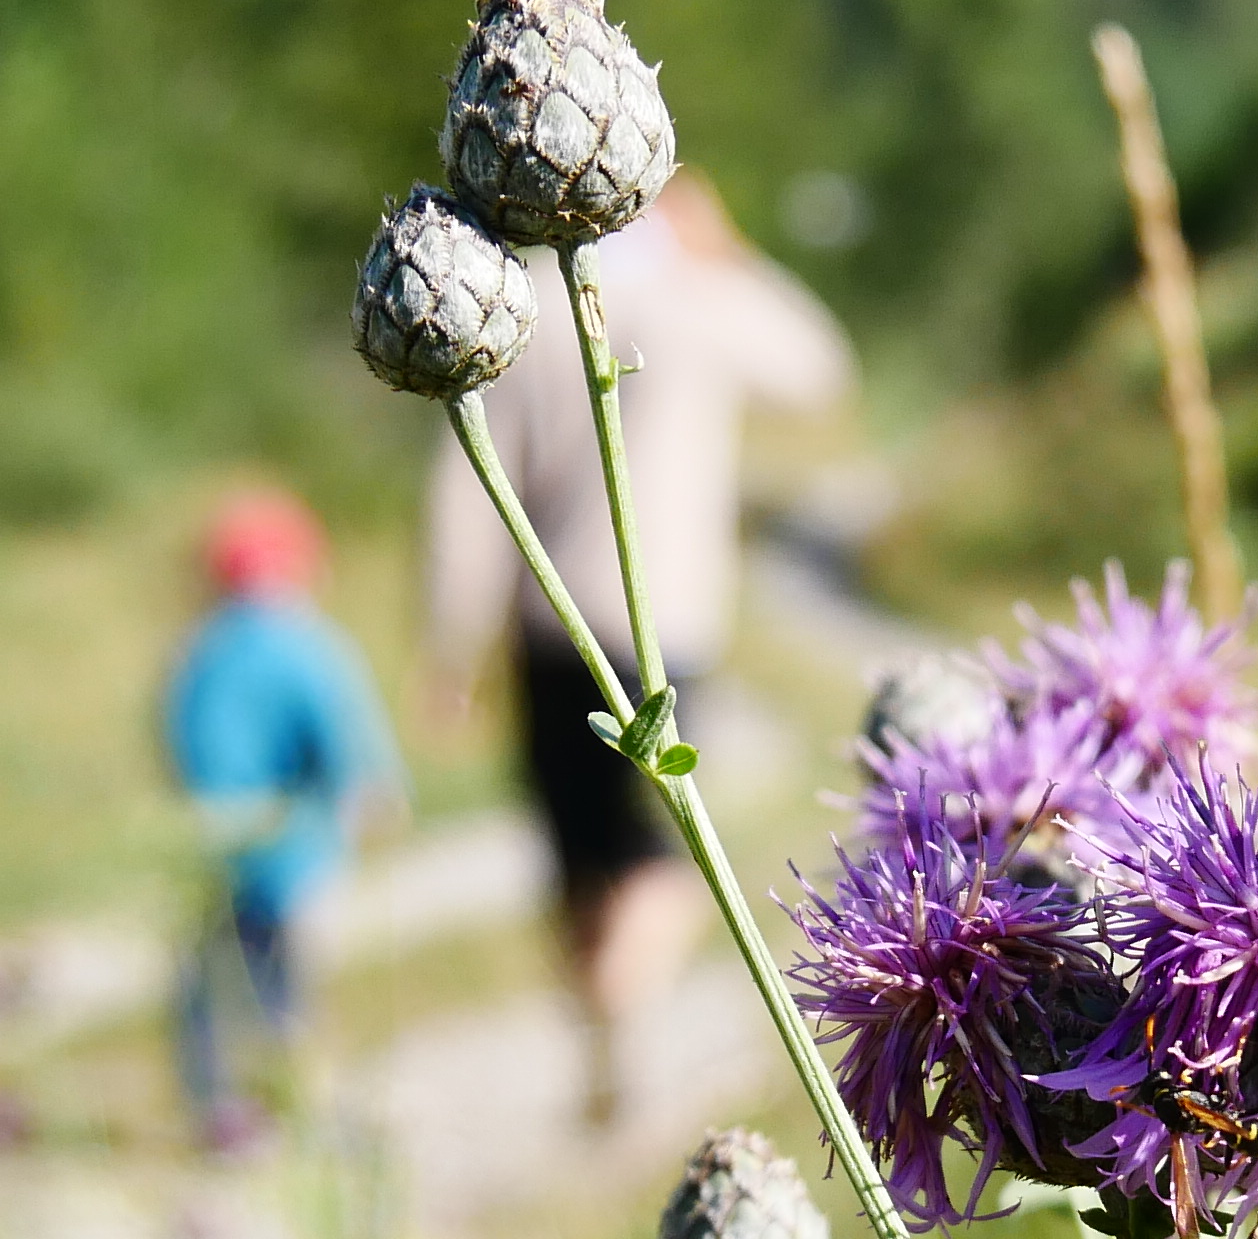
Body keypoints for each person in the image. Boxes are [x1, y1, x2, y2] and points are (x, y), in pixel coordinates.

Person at [424, 171, 853, 1125]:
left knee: (577, 860)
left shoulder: (516, 303)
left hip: (544, 627)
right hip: (663, 632)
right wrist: (729, 254)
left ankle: (600, 1044)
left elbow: (465, 484)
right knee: (659, 856)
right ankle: (622, 1016)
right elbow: (821, 367)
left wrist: (451, 644)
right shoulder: (694, 301)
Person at [161, 484, 402, 1150]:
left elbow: (179, 743)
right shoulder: (308, 645)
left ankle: (217, 1109)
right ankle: (309, 1112)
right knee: (295, 992)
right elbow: (346, 736)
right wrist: (374, 793)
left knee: (217, 986)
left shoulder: (200, 654)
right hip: (302, 850)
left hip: (221, 850)